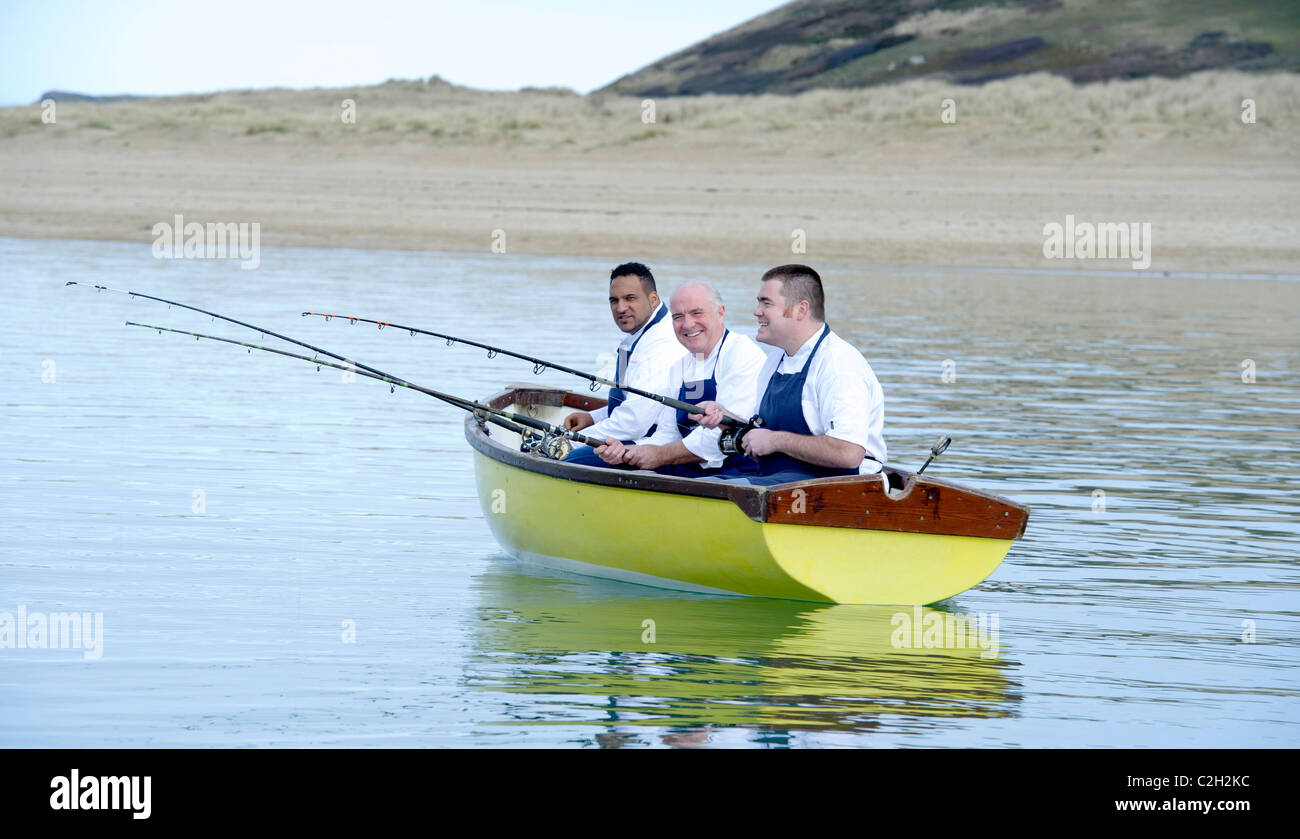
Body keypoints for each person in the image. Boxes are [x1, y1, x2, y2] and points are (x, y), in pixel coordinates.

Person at [696, 264, 886, 484]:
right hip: (780, 482)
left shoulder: (839, 365)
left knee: (710, 489)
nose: (756, 312)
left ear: (800, 310)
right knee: (700, 484)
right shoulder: (775, 358)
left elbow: (848, 453)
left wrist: (776, 440)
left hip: (843, 490)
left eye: (766, 303)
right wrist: (724, 417)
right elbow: (762, 434)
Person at [596, 281, 766, 476]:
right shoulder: (680, 366)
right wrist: (627, 451)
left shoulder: (741, 353)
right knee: (605, 462)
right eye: (678, 317)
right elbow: (667, 435)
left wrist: (660, 454)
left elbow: (718, 438)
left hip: (737, 472)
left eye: (697, 313)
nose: (687, 324)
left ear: (721, 312)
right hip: (688, 467)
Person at [562, 262, 685, 467]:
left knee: (560, 456)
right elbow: (629, 402)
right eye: (614, 300)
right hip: (633, 434)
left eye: (630, 298)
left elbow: (633, 423)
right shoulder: (636, 336)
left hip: (648, 444)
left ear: (653, 299)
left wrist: (569, 440)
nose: (620, 308)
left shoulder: (662, 344)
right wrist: (592, 418)